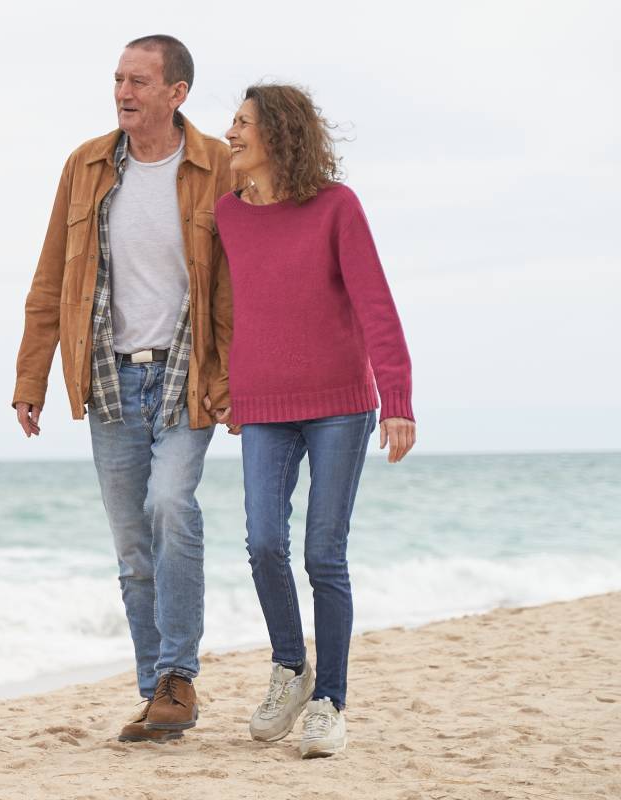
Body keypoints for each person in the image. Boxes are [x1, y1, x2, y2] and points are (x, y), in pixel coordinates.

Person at [11, 35, 235, 744]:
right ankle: (158, 694)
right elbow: (52, 277)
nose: (123, 92)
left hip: (185, 369)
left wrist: (237, 374)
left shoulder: (216, 166)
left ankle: (177, 676)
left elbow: (241, 278)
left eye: (139, 81)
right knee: (132, 548)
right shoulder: (85, 166)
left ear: (177, 93)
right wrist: (31, 375)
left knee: (171, 504)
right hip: (107, 376)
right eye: (117, 79)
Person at [216, 83, 417, 758]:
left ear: (277, 133)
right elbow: (231, 311)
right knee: (264, 542)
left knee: (323, 555)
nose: (231, 134)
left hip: (340, 405)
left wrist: (398, 399)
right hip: (264, 408)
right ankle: (290, 668)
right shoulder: (229, 216)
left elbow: (376, 305)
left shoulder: (337, 207)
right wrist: (228, 388)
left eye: (241, 124)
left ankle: (330, 700)